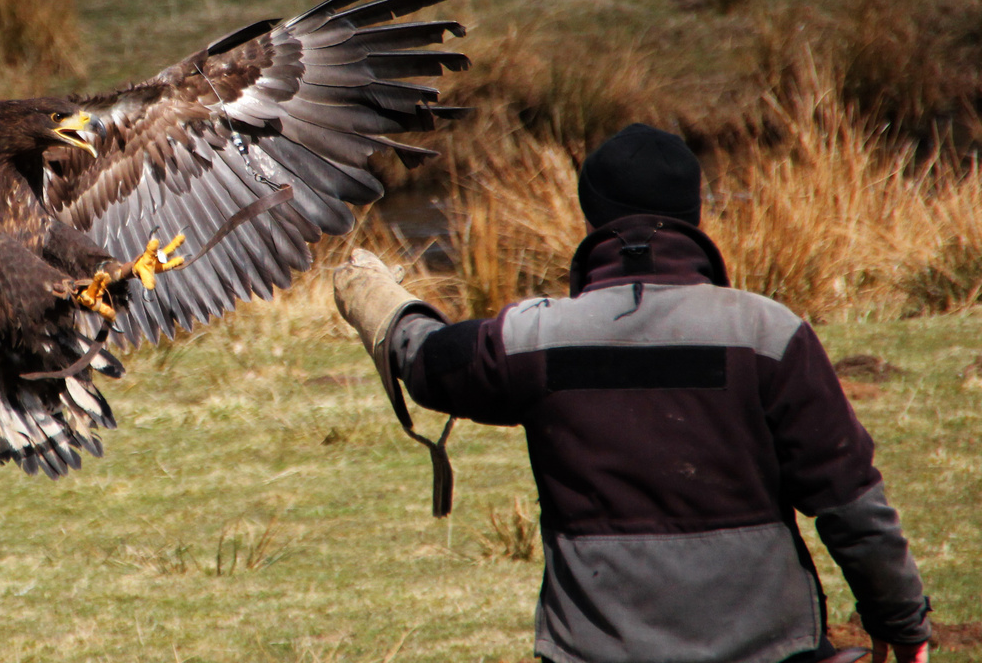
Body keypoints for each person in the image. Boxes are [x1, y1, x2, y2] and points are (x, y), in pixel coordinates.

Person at [334, 123, 931, 663]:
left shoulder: (534, 337)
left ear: (591, 217)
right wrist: (903, 625)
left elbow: (427, 364)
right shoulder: (769, 334)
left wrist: (383, 302)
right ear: (695, 213)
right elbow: (852, 504)